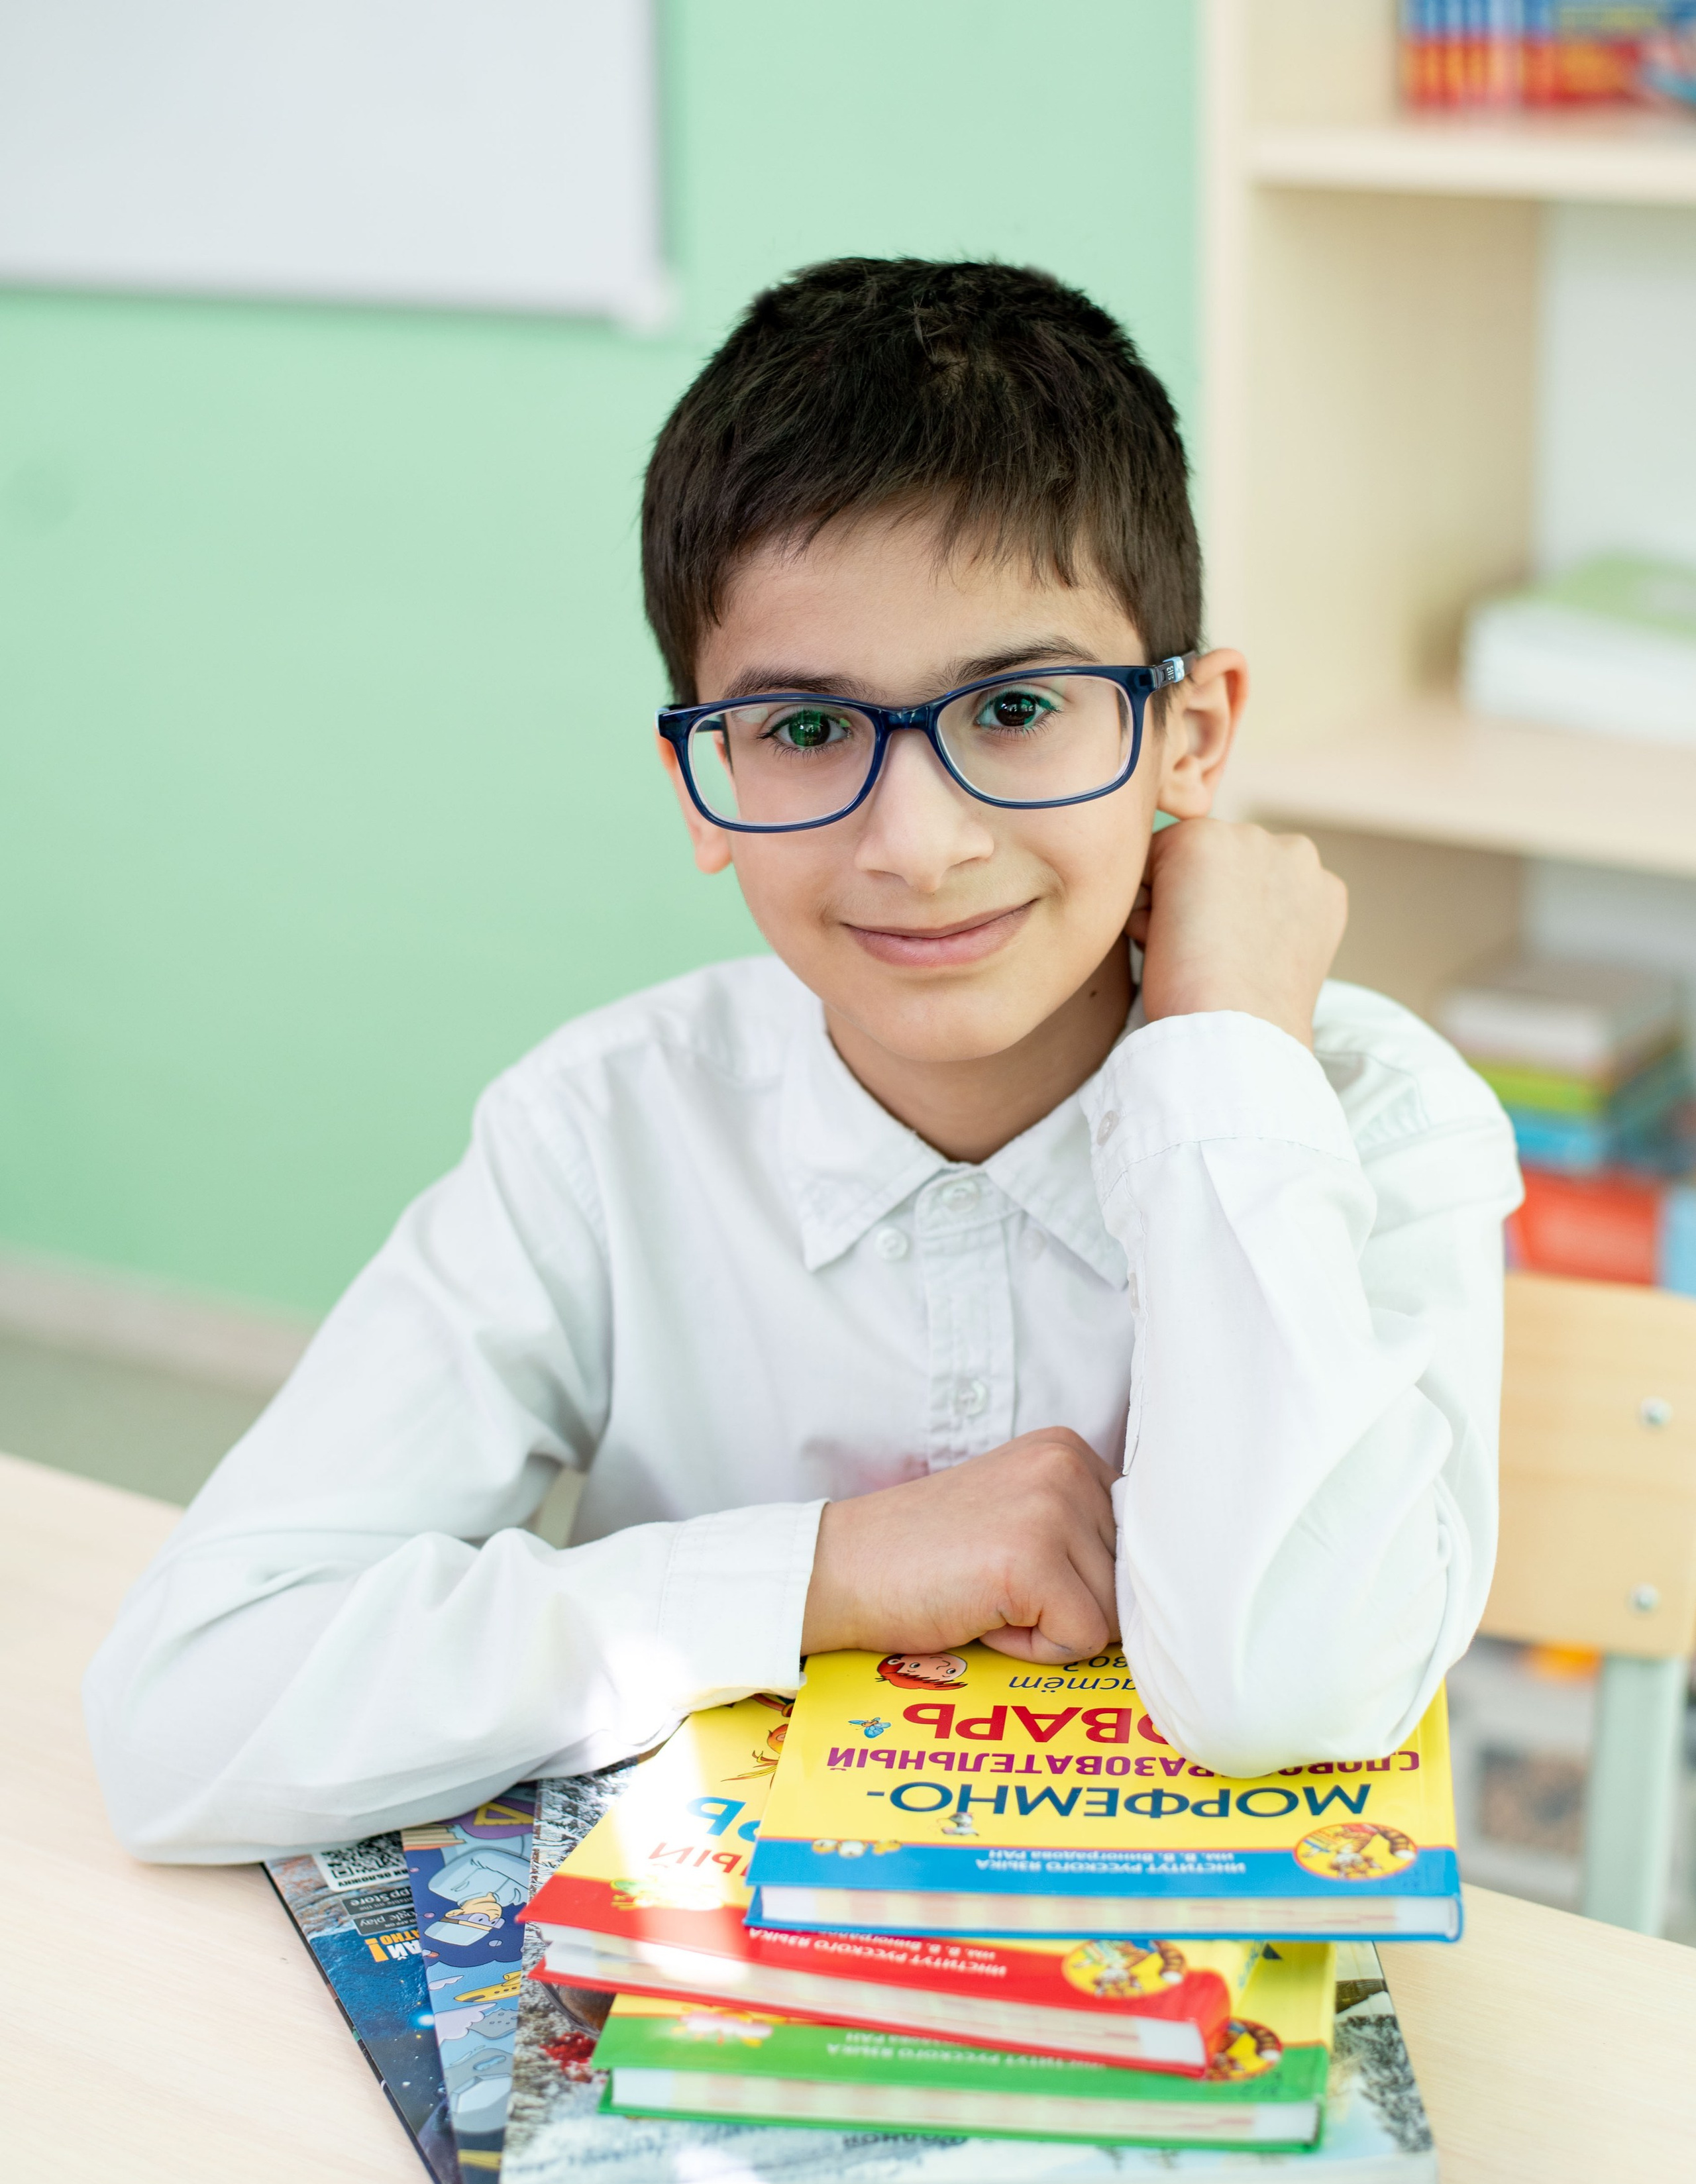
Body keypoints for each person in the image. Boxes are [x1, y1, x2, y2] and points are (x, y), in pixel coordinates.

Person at [84, 258, 1520, 1863]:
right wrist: (822, 1571)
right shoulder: (605, 1129)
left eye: (1020, 707)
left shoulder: (1362, 1118)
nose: (917, 845)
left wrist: (1222, 1058)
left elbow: (1288, 1690)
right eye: (806, 731)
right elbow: (184, 1711)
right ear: (699, 782)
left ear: (1187, 738)